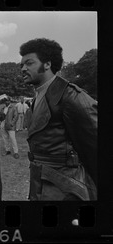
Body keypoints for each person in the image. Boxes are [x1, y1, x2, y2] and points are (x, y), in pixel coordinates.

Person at [19, 37, 97, 201]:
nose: (23, 68)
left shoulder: (71, 96)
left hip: (66, 190)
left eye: (29, 63)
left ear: (47, 64)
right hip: (43, 185)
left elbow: (97, 148)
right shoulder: (39, 95)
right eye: (22, 65)